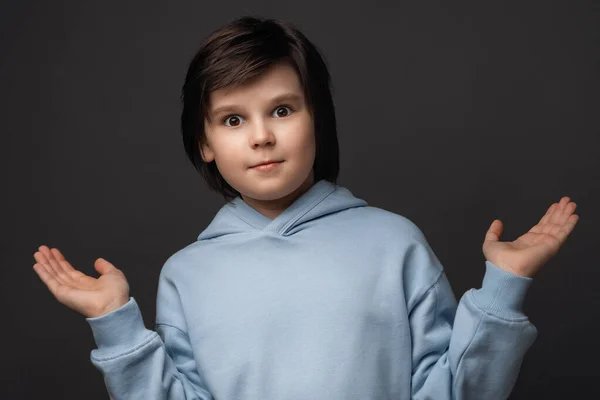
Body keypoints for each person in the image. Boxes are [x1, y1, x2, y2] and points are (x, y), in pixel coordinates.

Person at [32, 16, 579, 400]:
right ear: (203, 143)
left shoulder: (394, 244)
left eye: (283, 109)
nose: (262, 137)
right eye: (232, 119)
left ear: (318, 117)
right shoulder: (186, 274)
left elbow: (458, 389)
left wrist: (503, 286)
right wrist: (117, 326)